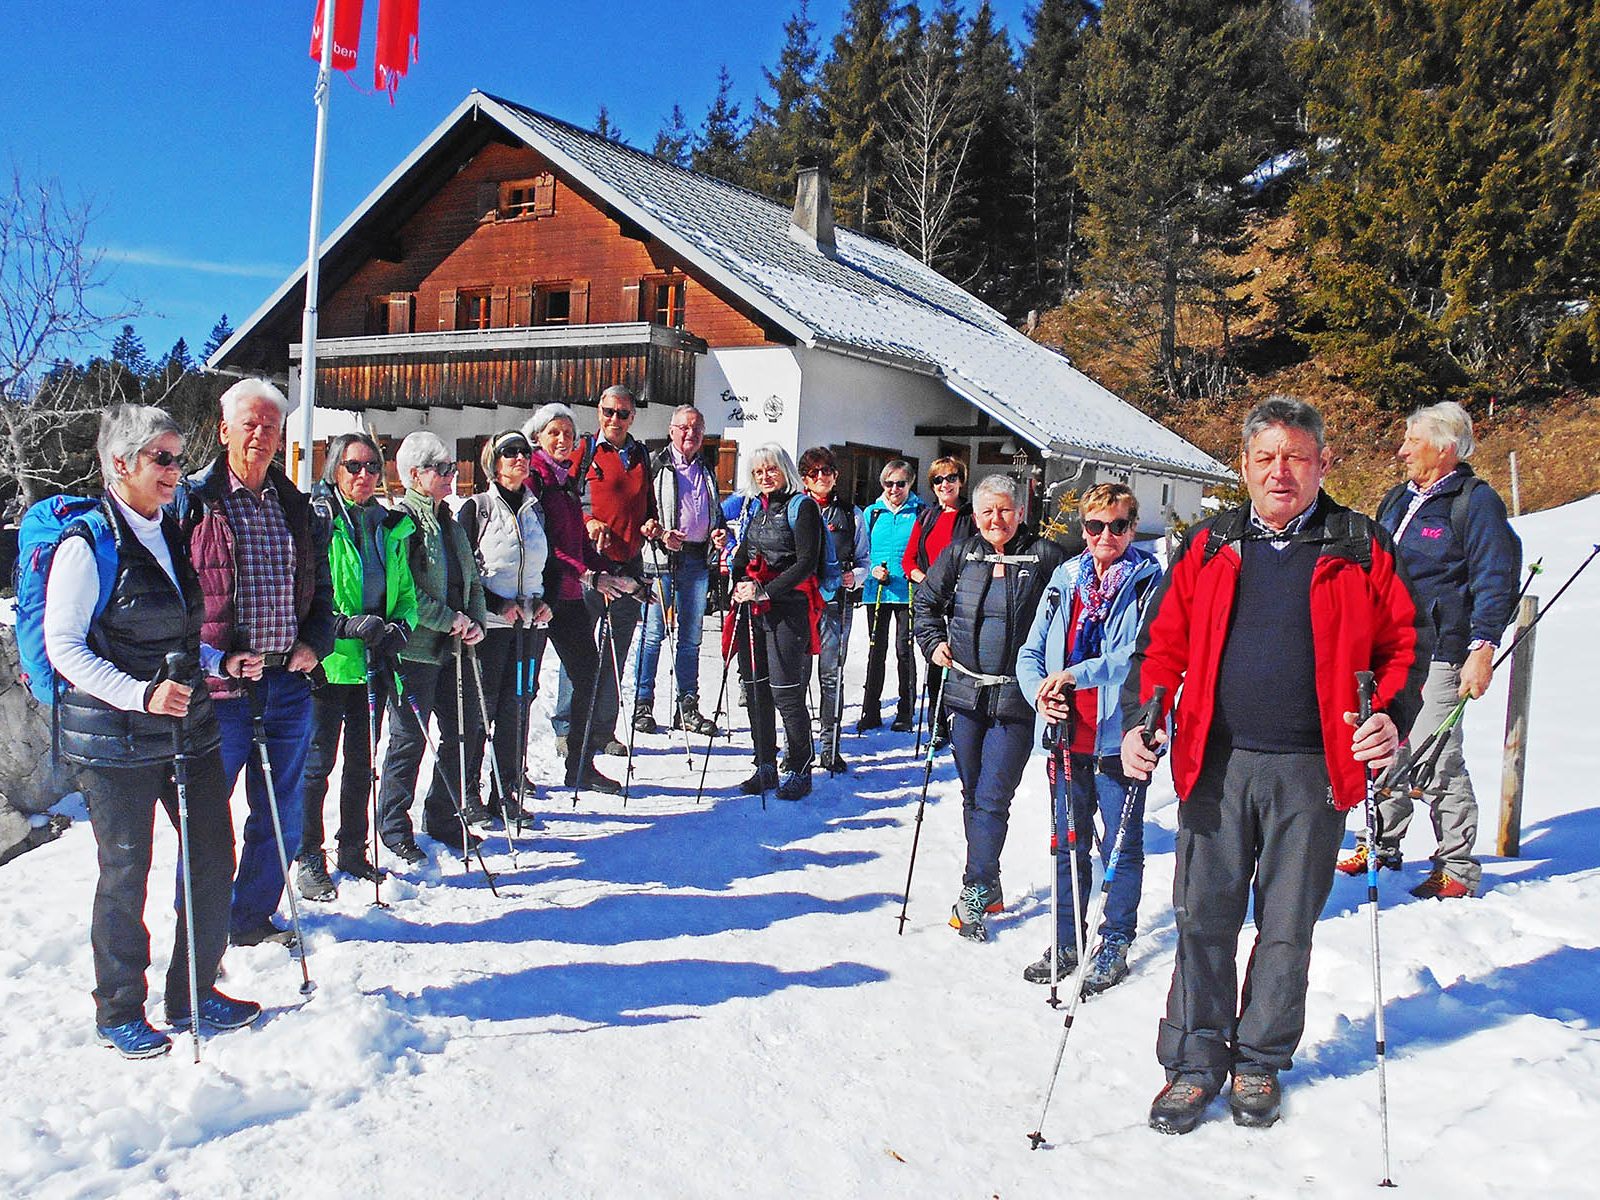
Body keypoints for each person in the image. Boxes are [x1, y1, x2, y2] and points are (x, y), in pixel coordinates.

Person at [1121, 397, 1428, 1135]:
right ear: (1246, 467)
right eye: (1265, 458)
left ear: (1323, 462)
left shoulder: (1360, 543)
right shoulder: (1209, 545)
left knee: (1287, 927)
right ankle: (1195, 1066)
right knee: (1203, 920)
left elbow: (1404, 648)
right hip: (1215, 763)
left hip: (1314, 769)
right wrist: (1143, 718)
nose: (1280, 472)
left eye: (1296, 457)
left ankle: (1258, 1058)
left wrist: (1388, 714)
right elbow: (1162, 647)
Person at [47, 405, 260, 1057]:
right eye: (162, 458)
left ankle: (193, 992)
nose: (175, 470)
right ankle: (117, 1010)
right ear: (121, 463)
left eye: (176, 456)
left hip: (184, 727)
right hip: (114, 739)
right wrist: (140, 694)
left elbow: (176, 636)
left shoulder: (168, 531)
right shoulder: (89, 543)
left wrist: (217, 662)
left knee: (211, 854)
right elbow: (64, 646)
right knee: (127, 868)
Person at [170, 378, 335, 947]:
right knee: (209, 823)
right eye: (250, 424)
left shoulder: (296, 504)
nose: (261, 434)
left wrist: (317, 641)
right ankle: (196, 938)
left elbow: (322, 593)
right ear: (224, 431)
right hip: (220, 694)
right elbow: (174, 601)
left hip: (286, 681)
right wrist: (214, 659)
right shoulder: (193, 501)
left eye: (271, 425)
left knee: (283, 815)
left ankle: (249, 918)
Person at [1338, 401, 1521, 899]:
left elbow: (1495, 577)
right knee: (1382, 742)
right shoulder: (1399, 498)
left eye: (1411, 442)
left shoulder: (1475, 502)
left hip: (1442, 648)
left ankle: (1457, 866)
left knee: (1434, 752)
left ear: (1444, 448)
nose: (1401, 451)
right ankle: (1379, 841)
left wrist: (1482, 648)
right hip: (1387, 647)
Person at [1016, 483, 1162, 992]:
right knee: (1067, 842)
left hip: (1118, 733)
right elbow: (1031, 649)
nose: (1106, 535)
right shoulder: (1064, 577)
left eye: (1118, 525)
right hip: (1065, 731)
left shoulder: (1147, 581)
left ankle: (1115, 938)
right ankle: (1066, 937)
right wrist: (1040, 692)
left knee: (1121, 846)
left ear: (1132, 528)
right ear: (1083, 528)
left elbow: (1134, 655)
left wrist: (1077, 674)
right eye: (1096, 525)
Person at [913, 473, 1068, 942]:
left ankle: (975, 889)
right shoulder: (961, 554)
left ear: (1020, 512)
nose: (996, 519)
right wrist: (933, 642)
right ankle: (990, 880)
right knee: (971, 793)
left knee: (992, 796)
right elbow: (926, 603)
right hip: (964, 691)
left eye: (1005, 510)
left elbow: (1072, 612)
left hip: (1016, 696)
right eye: (987, 512)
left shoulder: (1044, 558)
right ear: (976, 516)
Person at [297, 433, 417, 899]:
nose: (363, 475)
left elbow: (402, 587)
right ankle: (308, 852)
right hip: (328, 662)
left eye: (372, 466)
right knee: (316, 763)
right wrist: (343, 625)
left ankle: (352, 848)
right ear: (334, 469)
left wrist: (400, 627)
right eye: (352, 466)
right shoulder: (319, 519)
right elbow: (304, 589)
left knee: (362, 761)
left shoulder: (386, 524)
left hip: (374, 660)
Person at [375, 432, 488, 862]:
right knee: (409, 738)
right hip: (416, 648)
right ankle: (393, 824)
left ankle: (442, 815)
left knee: (464, 732)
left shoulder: (452, 523)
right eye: (440, 469)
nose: (451, 475)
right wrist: (449, 619)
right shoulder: (402, 522)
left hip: (456, 648)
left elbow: (471, 580)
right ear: (415, 475)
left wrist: (475, 621)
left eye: (451, 467)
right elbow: (406, 591)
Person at [522, 403, 640, 794]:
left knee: (588, 673)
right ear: (537, 437)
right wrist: (588, 574)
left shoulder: (564, 481)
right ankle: (509, 772)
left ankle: (580, 764)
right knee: (525, 686)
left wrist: (612, 574)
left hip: (568, 595)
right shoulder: (534, 480)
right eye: (554, 432)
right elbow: (546, 546)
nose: (562, 440)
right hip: (538, 596)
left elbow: (577, 542)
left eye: (568, 435)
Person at [551, 385, 662, 758]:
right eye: (608, 411)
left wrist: (652, 525)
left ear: (633, 417)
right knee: (579, 649)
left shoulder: (640, 454)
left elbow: (648, 506)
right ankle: (568, 729)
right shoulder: (584, 452)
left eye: (623, 413)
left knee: (617, 650)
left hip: (628, 564)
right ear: (599, 412)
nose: (615, 419)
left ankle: (603, 730)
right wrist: (588, 521)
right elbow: (565, 502)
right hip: (590, 566)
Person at [459, 430, 553, 821]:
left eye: (524, 452)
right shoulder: (477, 508)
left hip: (529, 626)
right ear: (493, 462)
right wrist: (498, 604)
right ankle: (468, 792)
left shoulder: (535, 508)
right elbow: (464, 572)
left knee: (517, 709)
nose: (519, 459)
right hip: (490, 627)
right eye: (509, 453)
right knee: (481, 711)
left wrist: (543, 601)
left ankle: (507, 789)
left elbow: (540, 565)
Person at [729, 444, 825, 801]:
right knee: (755, 688)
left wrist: (765, 590)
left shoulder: (803, 508)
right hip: (754, 609)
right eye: (758, 472)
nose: (765, 477)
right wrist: (740, 581)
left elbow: (806, 562)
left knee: (785, 692)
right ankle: (765, 764)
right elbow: (744, 553)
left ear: (784, 470)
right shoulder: (758, 508)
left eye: (771, 470)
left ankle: (800, 767)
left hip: (788, 609)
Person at [636, 405, 726, 737]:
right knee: (653, 636)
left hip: (697, 560)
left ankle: (687, 706)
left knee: (690, 639)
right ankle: (643, 704)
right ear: (672, 430)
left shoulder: (707, 468)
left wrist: (720, 531)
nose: (691, 434)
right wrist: (660, 533)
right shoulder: (655, 465)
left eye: (698, 429)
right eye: (685, 428)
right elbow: (642, 514)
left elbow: (715, 514)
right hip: (661, 558)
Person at [798, 446, 870, 773]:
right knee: (796, 677)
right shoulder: (796, 509)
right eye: (814, 473)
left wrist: (855, 576)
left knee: (831, 676)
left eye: (826, 471)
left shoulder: (851, 514)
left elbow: (864, 559)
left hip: (836, 604)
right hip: (799, 603)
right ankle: (796, 747)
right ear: (804, 479)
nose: (821, 477)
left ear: (835, 475)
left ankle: (830, 747)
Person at [903, 456, 972, 748]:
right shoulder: (927, 517)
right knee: (936, 663)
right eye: (938, 480)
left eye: (951, 478)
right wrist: (928, 582)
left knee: (963, 663)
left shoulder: (972, 515)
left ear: (961, 480)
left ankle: (964, 722)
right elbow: (908, 560)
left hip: (964, 600)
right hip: (933, 601)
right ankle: (937, 725)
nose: (945, 484)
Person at [858, 460, 925, 732]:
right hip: (878, 592)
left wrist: (917, 571)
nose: (894, 489)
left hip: (907, 592)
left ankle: (905, 711)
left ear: (910, 484)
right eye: (889, 483)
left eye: (900, 483)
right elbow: (862, 548)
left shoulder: (920, 512)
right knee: (876, 651)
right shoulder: (872, 513)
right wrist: (872, 568)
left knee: (904, 652)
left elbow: (925, 548)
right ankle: (870, 710)